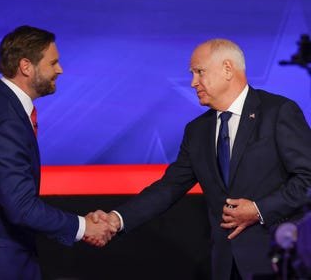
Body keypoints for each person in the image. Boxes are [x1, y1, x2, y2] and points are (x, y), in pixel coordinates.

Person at [89, 38, 311, 280]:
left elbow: (308, 179)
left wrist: (258, 210)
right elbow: (169, 188)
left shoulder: (278, 112)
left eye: (199, 72)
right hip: (225, 265)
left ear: (228, 69)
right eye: (192, 74)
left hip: (276, 260)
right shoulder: (197, 131)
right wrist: (116, 219)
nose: (193, 82)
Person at [0, 25, 116, 280]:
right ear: (26, 66)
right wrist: (83, 227)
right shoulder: (6, 118)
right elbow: (21, 207)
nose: (59, 70)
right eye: (54, 63)